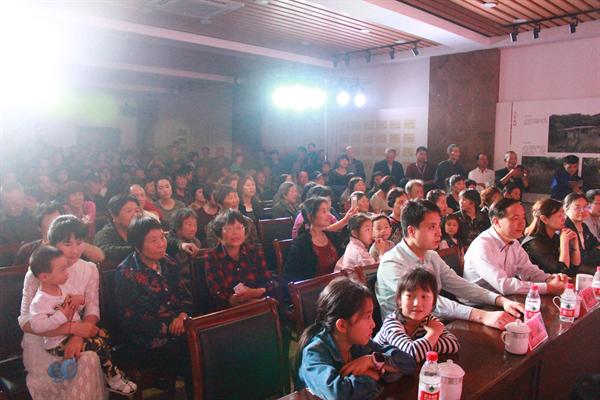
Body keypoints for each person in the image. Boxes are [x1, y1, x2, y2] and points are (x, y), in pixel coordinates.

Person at [376, 200, 524, 330]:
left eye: (438, 226)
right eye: (432, 227)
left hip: (435, 325)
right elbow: (424, 302)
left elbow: (460, 285)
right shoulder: (392, 263)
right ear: (411, 231)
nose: (439, 233)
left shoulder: (431, 256)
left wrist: (500, 300)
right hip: (405, 334)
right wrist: (481, 315)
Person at [18, 215, 107, 399]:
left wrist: (77, 337)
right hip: (42, 342)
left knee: (89, 359)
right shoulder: (38, 272)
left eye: (79, 243)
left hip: (76, 338)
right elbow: (25, 321)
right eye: (67, 244)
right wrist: (73, 328)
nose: (74, 250)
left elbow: (92, 309)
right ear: (52, 244)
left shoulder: (89, 269)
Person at [28, 246, 137, 395]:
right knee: (98, 344)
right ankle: (113, 379)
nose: (67, 273)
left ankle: (107, 371)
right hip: (57, 342)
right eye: (62, 270)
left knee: (105, 334)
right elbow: (37, 326)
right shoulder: (40, 301)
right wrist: (61, 316)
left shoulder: (62, 288)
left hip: (73, 333)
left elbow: (81, 301)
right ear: (44, 277)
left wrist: (79, 299)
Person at [296, 278, 416, 400]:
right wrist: (372, 375)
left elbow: (409, 363)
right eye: (367, 317)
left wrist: (372, 360)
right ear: (342, 325)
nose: (373, 324)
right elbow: (339, 394)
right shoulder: (314, 354)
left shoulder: (358, 343)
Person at [114, 216, 194, 399]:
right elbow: (131, 319)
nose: (161, 244)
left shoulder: (169, 263)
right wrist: (171, 325)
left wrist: (182, 316)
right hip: (146, 341)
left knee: (204, 343)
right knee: (194, 350)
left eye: (162, 237)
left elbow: (186, 297)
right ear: (138, 245)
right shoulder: (127, 272)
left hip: (179, 331)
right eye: (153, 240)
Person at [463, 198, 568, 298]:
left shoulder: (513, 242)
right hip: (479, 304)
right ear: (496, 221)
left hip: (504, 298)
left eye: (523, 217)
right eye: (516, 218)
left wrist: (549, 278)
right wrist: (549, 287)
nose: (522, 223)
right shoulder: (482, 246)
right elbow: (504, 285)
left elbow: (528, 271)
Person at [374, 269, 459, 363]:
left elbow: (454, 344)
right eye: (409, 296)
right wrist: (433, 333)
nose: (417, 303)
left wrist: (423, 345)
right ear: (399, 300)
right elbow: (411, 355)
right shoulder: (392, 323)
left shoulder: (429, 319)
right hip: (377, 367)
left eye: (424, 297)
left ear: (433, 303)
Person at [205, 209, 279, 310]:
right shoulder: (212, 257)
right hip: (230, 312)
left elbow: (268, 282)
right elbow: (219, 294)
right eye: (229, 229)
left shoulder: (254, 252)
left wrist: (253, 293)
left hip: (260, 306)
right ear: (219, 234)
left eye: (239, 228)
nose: (235, 233)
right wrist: (249, 302)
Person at [16, 201, 104, 265]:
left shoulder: (75, 247)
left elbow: (100, 257)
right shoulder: (27, 250)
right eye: (49, 220)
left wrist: (76, 243)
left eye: (58, 219)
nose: (55, 223)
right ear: (39, 226)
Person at [284, 197, 345, 282]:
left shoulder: (332, 237)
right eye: (324, 211)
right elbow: (291, 277)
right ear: (310, 217)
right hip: (314, 287)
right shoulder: (301, 244)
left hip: (336, 283)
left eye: (328, 210)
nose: (329, 215)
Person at [522, 198, 581, 276]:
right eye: (559, 215)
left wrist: (575, 245)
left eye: (564, 214)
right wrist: (564, 243)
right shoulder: (534, 243)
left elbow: (573, 268)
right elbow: (561, 272)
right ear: (544, 219)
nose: (564, 218)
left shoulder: (555, 237)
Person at [94, 194, 140, 263]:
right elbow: (104, 251)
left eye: (137, 211)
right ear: (113, 215)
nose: (135, 215)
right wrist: (140, 250)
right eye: (129, 211)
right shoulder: (105, 234)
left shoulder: (140, 230)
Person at [564, 193, 600, 268]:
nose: (582, 210)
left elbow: (595, 243)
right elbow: (583, 258)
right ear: (566, 209)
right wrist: (596, 250)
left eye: (585, 207)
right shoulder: (565, 228)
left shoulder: (584, 226)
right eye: (577, 207)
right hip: (574, 270)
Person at [167, 208, 201, 283]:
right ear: (177, 226)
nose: (193, 229)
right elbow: (171, 243)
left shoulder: (196, 242)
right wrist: (182, 245)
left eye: (195, 225)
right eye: (189, 225)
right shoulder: (167, 240)